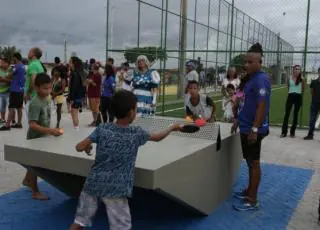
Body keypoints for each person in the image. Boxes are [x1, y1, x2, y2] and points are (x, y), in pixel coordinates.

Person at [69, 90, 181, 230]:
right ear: (131, 112)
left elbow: (79, 147)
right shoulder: (136, 133)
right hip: (117, 189)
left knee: (80, 221)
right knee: (120, 227)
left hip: (93, 184)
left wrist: (87, 145)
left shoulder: (103, 128)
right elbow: (158, 137)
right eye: (135, 108)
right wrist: (172, 128)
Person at [231, 43, 271, 211]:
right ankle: (249, 191)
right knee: (249, 162)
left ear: (259, 62)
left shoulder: (261, 79)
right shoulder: (250, 79)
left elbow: (262, 105)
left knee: (254, 164)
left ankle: (252, 200)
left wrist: (255, 129)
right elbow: (246, 102)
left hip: (254, 130)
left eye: (249, 62)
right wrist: (238, 119)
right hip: (246, 127)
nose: (245, 65)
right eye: (245, 62)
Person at [22, 73, 63, 200]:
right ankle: (35, 191)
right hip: (35, 138)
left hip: (43, 136)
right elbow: (32, 125)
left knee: (34, 164)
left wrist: (50, 130)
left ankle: (27, 180)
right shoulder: (35, 103)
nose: (48, 91)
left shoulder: (47, 99)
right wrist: (50, 130)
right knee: (36, 166)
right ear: (36, 88)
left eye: (50, 88)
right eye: (45, 88)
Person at [0, 53, 25, 131]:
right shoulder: (23, 66)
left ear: (15, 58)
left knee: (11, 107)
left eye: (13, 59)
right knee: (19, 107)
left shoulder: (16, 66)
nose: (12, 60)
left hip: (15, 90)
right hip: (21, 90)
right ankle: (19, 123)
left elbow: (10, 75)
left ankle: (7, 125)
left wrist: (3, 77)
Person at [281, 65, 304, 138]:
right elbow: (288, 87)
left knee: (295, 115)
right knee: (287, 114)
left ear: (300, 71)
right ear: (293, 70)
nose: (297, 70)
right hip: (290, 96)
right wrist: (291, 92)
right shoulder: (289, 78)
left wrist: (298, 94)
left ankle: (292, 132)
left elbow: (303, 89)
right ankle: (284, 132)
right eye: (295, 69)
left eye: (298, 69)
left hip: (298, 96)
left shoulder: (302, 79)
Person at [68, 56, 86, 130]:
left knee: (74, 113)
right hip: (79, 96)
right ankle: (76, 128)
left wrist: (71, 98)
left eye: (70, 62)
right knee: (75, 113)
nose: (69, 63)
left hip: (76, 97)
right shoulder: (80, 72)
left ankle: (76, 129)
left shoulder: (74, 73)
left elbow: (74, 87)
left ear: (73, 63)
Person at [304, 68, 320, 140]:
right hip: (315, 103)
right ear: (318, 72)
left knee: (312, 119)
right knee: (312, 119)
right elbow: (312, 92)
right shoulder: (314, 82)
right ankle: (310, 135)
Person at [0, 57, 10, 124]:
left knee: (10, 108)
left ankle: (10, 121)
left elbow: (13, 81)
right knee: (1, 107)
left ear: (7, 63)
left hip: (9, 92)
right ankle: (3, 119)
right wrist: (8, 80)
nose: (1, 64)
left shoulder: (11, 70)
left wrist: (3, 79)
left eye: (3, 63)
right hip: (0, 92)